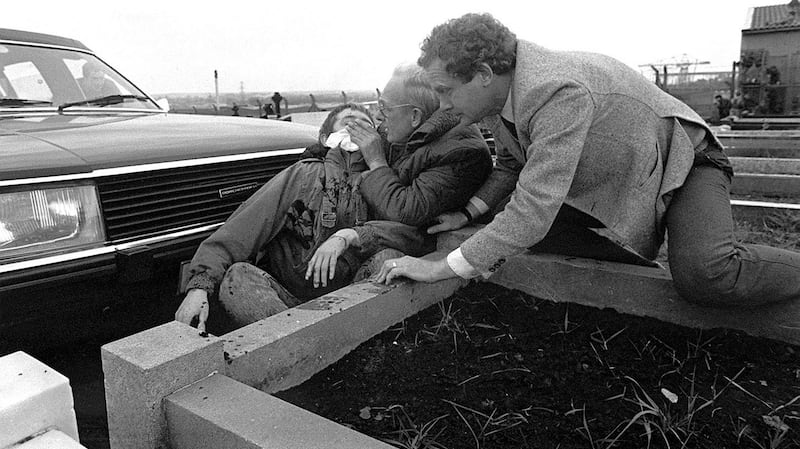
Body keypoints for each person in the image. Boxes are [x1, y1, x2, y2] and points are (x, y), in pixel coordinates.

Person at [376, 13, 800, 308]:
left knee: (707, 275)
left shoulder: (555, 91)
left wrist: (440, 267)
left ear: (484, 72)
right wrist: (467, 214)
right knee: (520, 235)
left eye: (446, 90)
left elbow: (532, 211)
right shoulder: (497, 98)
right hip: (626, 171)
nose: (444, 105)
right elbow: (511, 165)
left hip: (686, 164)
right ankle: (637, 273)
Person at [176, 65, 492, 331]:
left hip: (353, 294)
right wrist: (199, 286)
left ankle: (328, 343)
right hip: (286, 297)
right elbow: (242, 230)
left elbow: (412, 229)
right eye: (347, 125)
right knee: (238, 279)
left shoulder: (384, 176)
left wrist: (350, 234)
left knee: (388, 262)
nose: (365, 128)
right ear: (329, 138)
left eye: (368, 122)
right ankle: (297, 341)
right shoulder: (303, 175)